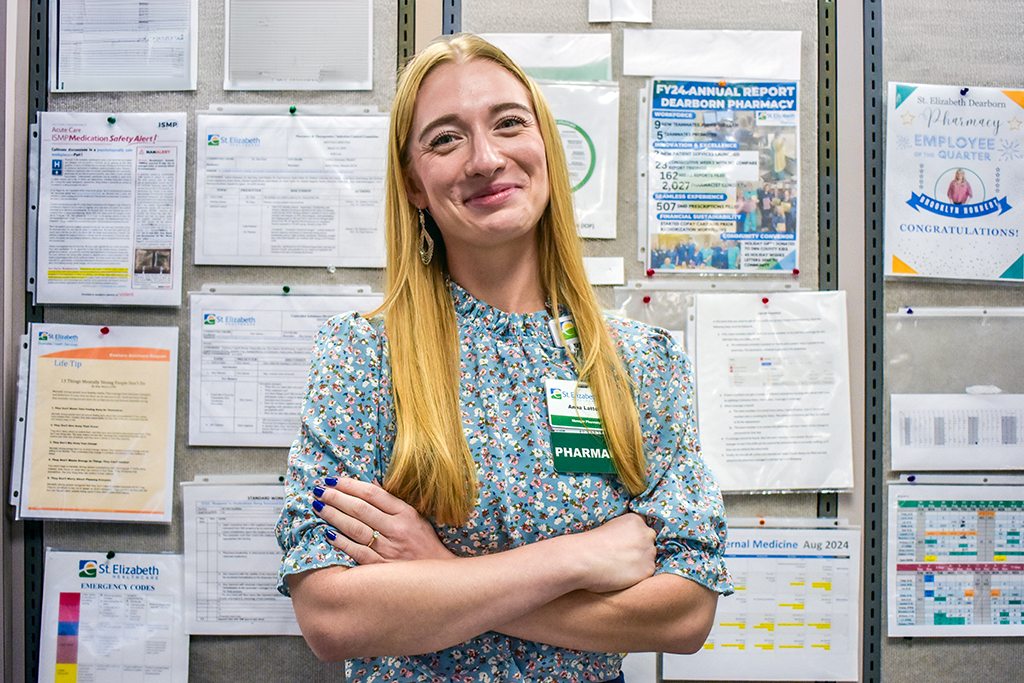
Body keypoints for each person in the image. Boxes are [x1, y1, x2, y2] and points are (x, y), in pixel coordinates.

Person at [276, 33, 731, 683]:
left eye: (509, 123)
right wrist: (580, 558)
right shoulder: (364, 356)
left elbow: (684, 613)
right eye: (444, 138)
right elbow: (333, 618)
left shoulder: (641, 362)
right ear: (412, 183)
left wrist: (438, 572)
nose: (486, 158)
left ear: (545, 142)